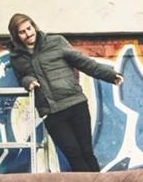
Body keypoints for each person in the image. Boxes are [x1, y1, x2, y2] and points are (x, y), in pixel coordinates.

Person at [7, 13, 122, 172]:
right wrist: (28, 81)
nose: (28, 34)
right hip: (52, 112)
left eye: (29, 28)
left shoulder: (56, 42)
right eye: (22, 32)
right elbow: (21, 78)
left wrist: (110, 75)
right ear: (16, 36)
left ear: (34, 27)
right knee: (73, 154)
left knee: (87, 152)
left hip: (75, 104)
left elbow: (83, 62)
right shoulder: (16, 57)